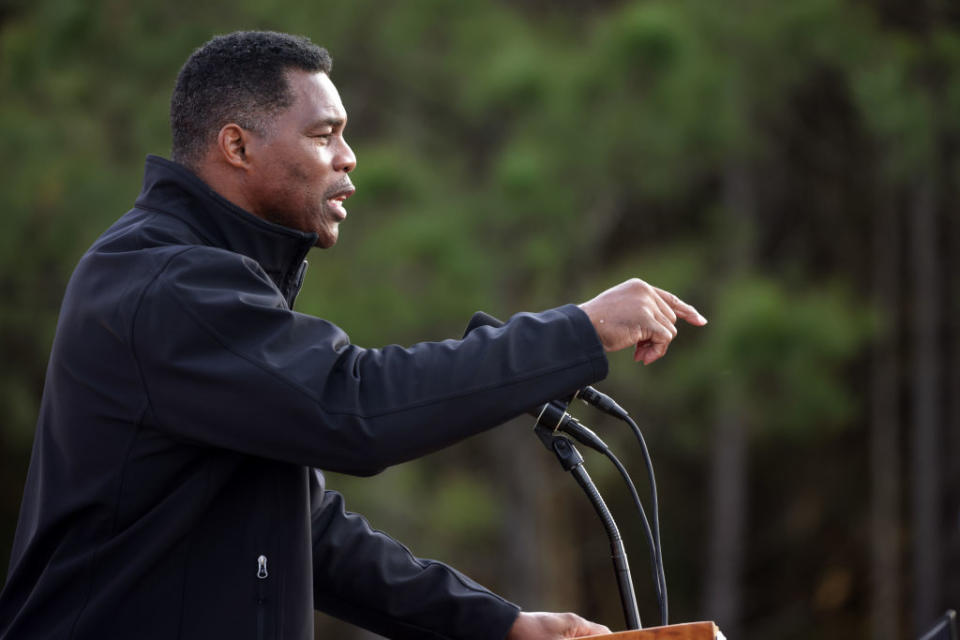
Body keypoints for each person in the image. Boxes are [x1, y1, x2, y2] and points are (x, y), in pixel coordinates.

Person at [0, 31, 706, 640]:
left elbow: (308, 536)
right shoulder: (167, 282)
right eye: (323, 134)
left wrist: (499, 624)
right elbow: (355, 407)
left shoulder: (208, 281)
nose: (350, 156)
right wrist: (577, 331)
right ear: (236, 146)